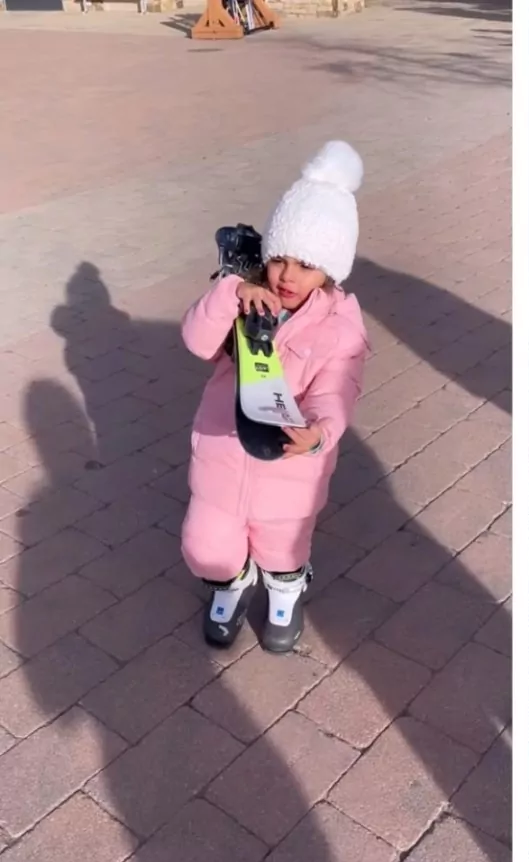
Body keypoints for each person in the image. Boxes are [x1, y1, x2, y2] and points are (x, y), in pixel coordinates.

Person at [179, 140, 370, 653]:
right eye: (279, 259)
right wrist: (229, 295)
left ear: (329, 271)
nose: (287, 275)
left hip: (289, 466)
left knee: (283, 546)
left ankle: (287, 588)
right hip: (223, 453)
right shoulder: (244, 299)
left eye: (305, 265)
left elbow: (336, 391)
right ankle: (232, 582)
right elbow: (197, 342)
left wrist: (319, 434)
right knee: (205, 545)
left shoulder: (340, 329)